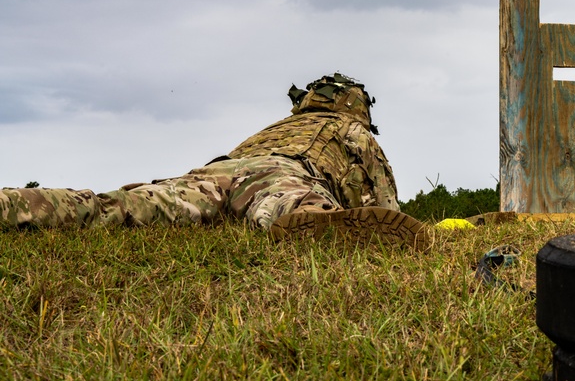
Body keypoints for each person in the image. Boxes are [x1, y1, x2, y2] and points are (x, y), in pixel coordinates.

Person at [0, 73, 433, 251]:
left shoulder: (275, 126)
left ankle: (14, 205)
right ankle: (316, 219)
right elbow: (380, 208)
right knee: (292, 205)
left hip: (212, 175)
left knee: (113, 207)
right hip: (280, 174)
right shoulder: (349, 131)